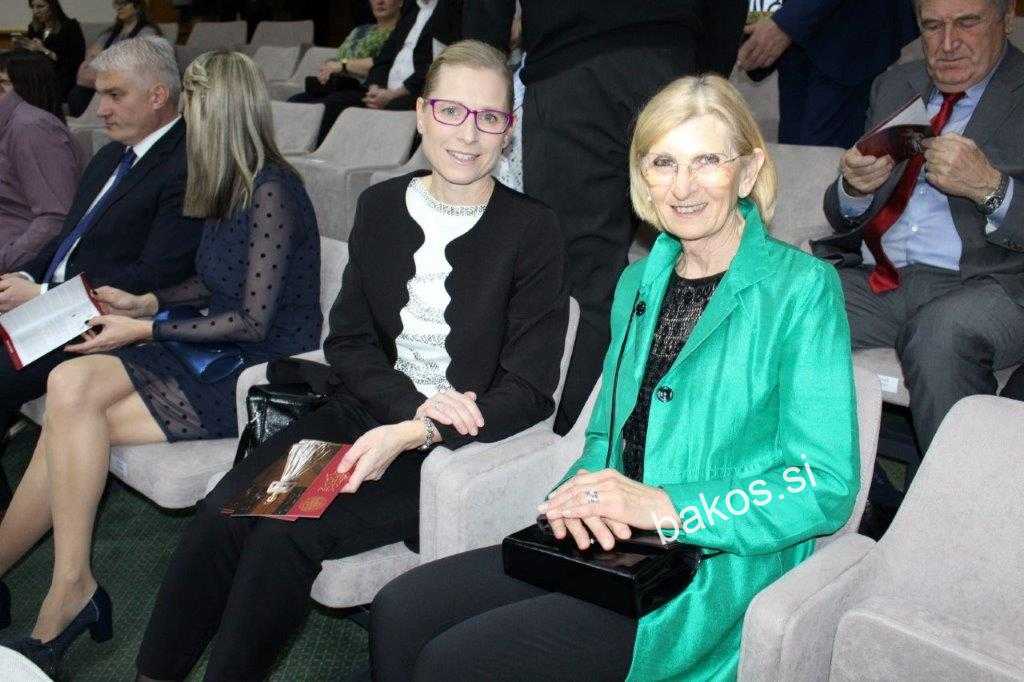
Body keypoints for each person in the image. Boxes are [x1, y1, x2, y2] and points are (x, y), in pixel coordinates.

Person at [369, 74, 860, 681]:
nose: (683, 187)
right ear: (642, 176)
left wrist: (666, 506)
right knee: (401, 609)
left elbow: (822, 484)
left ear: (749, 171)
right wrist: (577, 499)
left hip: (713, 566)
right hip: (615, 544)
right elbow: (604, 439)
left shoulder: (802, 289)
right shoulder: (637, 283)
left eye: (707, 161)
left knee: (456, 661)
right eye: (664, 163)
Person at [135, 40, 568, 681]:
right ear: (421, 113)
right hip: (362, 413)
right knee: (226, 513)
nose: (469, 134)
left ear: (509, 129)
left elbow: (530, 388)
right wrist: (405, 408)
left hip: (447, 451)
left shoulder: (532, 228)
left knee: (283, 535)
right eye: (451, 111)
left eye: (490, 117)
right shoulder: (382, 205)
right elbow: (349, 343)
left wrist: (420, 429)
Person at [0, 49, 322, 677]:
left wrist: (146, 325)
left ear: (221, 115)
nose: (185, 124)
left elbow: (253, 321)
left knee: (70, 410)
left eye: (194, 111)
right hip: (209, 347)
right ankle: (68, 582)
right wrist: (145, 301)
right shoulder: (225, 184)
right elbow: (210, 282)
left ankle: (65, 593)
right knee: (70, 391)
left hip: (252, 371)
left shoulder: (273, 189)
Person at [464, 1, 747, 435]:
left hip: (571, 69)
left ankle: (581, 439)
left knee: (583, 274)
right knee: (703, 256)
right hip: (667, 60)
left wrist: (476, 85)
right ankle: (698, 435)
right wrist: (703, 81)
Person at [0, 36, 202, 503]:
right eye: (99, 95)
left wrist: (46, 294)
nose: (101, 109)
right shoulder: (112, 154)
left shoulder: (187, 164)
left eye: (115, 95)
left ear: (157, 95)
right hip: (56, 304)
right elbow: (66, 239)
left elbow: (158, 274)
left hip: (102, 321)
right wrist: (25, 278)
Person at [817, 0, 1024, 453]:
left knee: (939, 336)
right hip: (878, 279)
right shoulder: (895, 84)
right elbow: (842, 210)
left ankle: (965, 493)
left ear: (1006, 19)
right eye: (932, 27)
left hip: (988, 284)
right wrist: (854, 188)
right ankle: (809, 478)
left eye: (967, 23)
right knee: (776, 303)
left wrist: (990, 187)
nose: (947, 44)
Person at [738, 0, 919, 147]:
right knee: (796, 155)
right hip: (796, 41)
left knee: (822, 164)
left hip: (848, 38)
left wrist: (787, 22)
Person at [292, 0, 436, 146]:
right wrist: (375, 86)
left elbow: (432, 65)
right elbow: (384, 60)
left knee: (335, 105)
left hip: (411, 92)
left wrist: (392, 94)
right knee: (314, 102)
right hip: (376, 88)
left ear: (400, 3)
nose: (380, 2)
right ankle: (299, 150)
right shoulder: (413, 14)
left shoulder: (443, 15)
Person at [0, 50, 82, 273]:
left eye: (5, 81)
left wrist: (6, 261)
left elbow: (55, 218)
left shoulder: (31, 129)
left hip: (19, 269)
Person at [67, 0, 164, 117]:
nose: (119, 8)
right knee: (78, 93)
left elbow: (134, 59)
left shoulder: (147, 32)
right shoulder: (112, 32)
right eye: (117, 4)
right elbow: (91, 54)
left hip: (129, 79)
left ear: (137, 6)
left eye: (124, 4)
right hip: (102, 77)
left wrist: (105, 58)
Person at [15, 0, 86, 102]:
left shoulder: (70, 26)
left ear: (53, 6)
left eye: (40, 6)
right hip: (38, 74)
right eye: (33, 7)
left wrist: (43, 50)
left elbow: (76, 61)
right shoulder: (34, 27)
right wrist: (24, 46)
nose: (35, 11)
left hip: (62, 76)